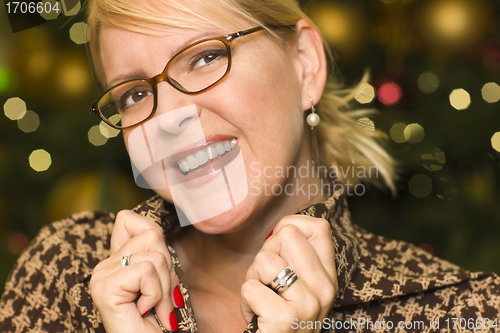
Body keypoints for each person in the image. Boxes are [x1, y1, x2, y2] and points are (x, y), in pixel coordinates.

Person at [1, 0, 499, 332]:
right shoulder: (64, 271)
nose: (170, 120)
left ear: (304, 62)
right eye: (135, 94)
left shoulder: (457, 311)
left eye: (203, 58)